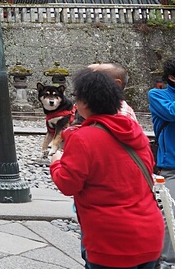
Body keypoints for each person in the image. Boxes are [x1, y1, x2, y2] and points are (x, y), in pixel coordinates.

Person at [50, 66, 164, 268]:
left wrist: (56, 162)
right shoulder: (134, 131)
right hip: (150, 235)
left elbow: (68, 184)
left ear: (84, 103)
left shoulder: (82, 138)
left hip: (110, 241)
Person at [148, 58, 175, 269]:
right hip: (172, 167)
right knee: (171, 215)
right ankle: (169, 263)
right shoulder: (157, 95)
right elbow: (173, 113)